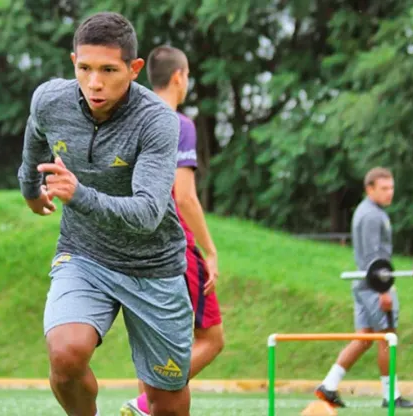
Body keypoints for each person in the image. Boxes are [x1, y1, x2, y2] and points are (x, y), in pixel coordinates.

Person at [17, 12, 194, 416]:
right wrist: (29, 187)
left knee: (166, 400)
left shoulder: (158, 122)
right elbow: (35, 135)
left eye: (109, 70)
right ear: (73, 62)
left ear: (134, 69)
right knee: (65, 355)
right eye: (85, 68)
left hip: (154, 267)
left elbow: (149, 212)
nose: (95, 82)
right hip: (84, 255)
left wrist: (79, 194)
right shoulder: (50, 99)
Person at [120, 45, 224, 416]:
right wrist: (209, 250)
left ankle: (145, 407)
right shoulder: (178, 124)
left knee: (152, 344)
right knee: (212, 338)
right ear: (179, 76)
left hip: (133, 244)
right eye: (189, 75)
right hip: (174, 244)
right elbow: (184, 195)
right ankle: (147, 403)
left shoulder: (132, 120)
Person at [315, 167, 413, 409]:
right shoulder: (372, 215)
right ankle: (391, 395)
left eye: (391, 187)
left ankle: (328, 386)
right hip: (374, 284)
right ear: (369, 189)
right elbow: (374, 257)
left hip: (363, 283)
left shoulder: (367, 211)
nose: (389, 193)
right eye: (384, 188)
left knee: (363, 338)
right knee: (388, 337)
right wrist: (384, 291)